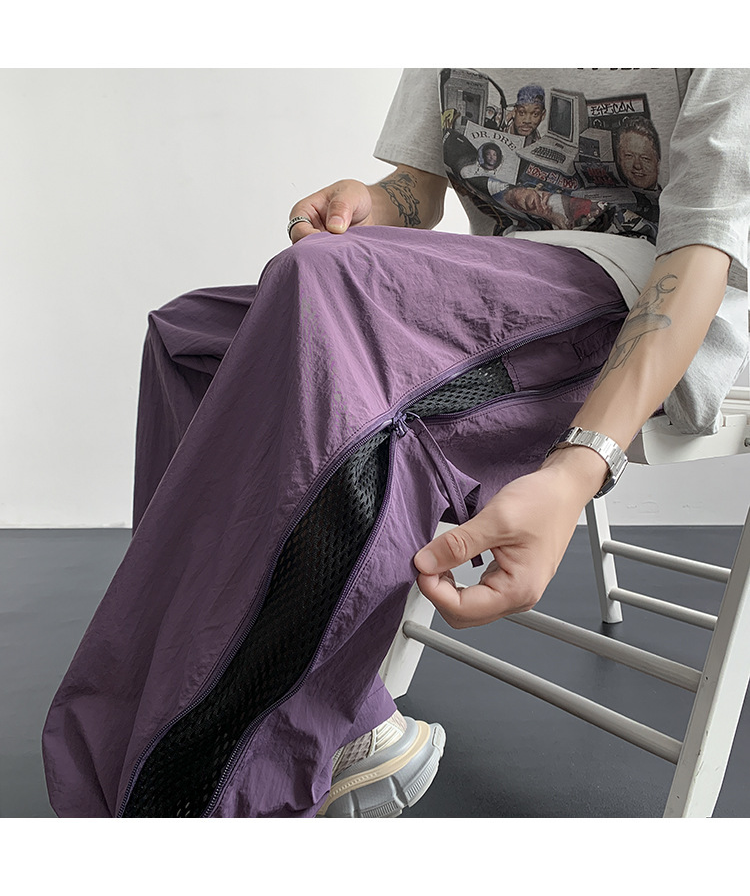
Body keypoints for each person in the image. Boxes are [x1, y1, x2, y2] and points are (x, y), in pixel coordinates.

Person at [42, 68, 749, 819]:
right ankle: (340, 720)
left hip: (642, 305)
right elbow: (420, 189)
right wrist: (371, 202)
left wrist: (576, 471)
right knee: (194, 341)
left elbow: (698, 252)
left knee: (325, 295)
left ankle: (222, 792)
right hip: (502, 282)